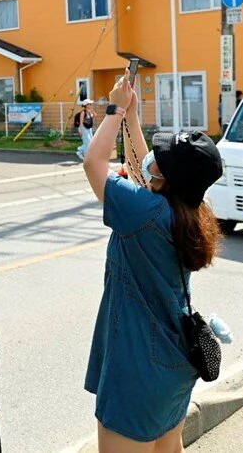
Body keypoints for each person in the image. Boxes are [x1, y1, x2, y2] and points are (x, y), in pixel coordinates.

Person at [82, 69, 224, 452]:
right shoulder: (191, 211)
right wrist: (130, 115)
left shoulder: (143, 211)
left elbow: (93, 164)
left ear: (167, 176)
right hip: (173, 366)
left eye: (161, 159)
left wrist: (113, 109)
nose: (152, 160)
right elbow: (145, 166)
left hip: (137, 374)